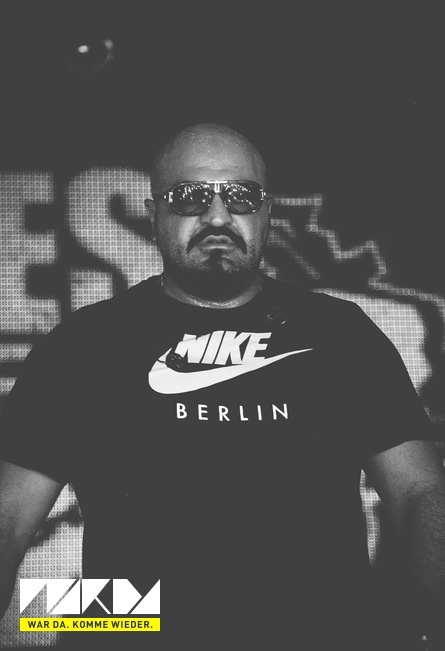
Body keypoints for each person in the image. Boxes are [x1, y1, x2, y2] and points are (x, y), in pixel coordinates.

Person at [1, 122, 445, 650]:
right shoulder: (83, 344)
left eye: (241, 196)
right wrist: (88, 622)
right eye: (189, 196)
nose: (216, 216)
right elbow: (9, 516)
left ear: (266, 212)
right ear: (153, 215)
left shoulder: (340, 332)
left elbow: (419, 492)